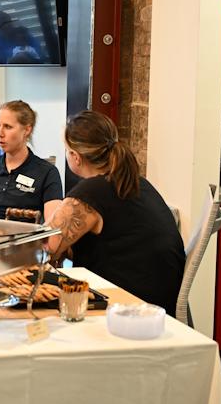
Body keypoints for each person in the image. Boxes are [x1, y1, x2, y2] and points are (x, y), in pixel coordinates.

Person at [44, 110, 184, 315]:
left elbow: (45, 246)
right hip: (158, 302)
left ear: (75, 157)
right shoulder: (136, 182)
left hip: (127, 306)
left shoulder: (91, 192)